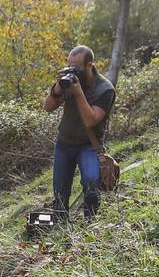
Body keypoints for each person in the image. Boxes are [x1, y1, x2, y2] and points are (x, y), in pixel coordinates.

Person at [42, 44, 116, 222]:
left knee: (91, 184)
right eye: (70, 66)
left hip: (88, 145)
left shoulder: (105, 89)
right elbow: (48, 107)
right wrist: (58, 88)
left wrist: (78, 92)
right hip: (64, 143)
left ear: (89, 65)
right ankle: (60, 226)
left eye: (76, 67)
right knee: (60, 191)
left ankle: (91, 224)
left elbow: (91, 119)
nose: (72, 70)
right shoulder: (70, 81)